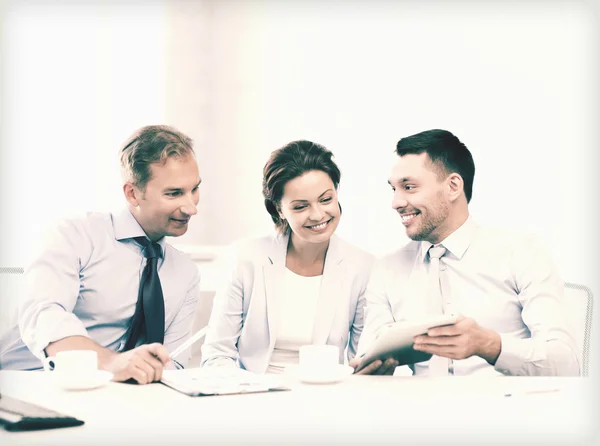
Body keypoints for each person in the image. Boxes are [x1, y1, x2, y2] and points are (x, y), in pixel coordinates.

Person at [352, 129, 579, 376]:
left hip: (507, 409)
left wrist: (489, 344)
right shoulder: (386, 270)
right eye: (394, 189)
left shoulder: (521, 253)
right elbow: (367, 358)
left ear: (453, 187)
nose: (395, 202)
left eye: (408, 187)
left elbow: (566, 363)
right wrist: (371, 371)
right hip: (418, 410)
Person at [0, 125, 202, 384]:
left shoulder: (186, 273)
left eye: (194, 189)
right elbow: (44, 314)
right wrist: (110, 363)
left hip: (118, 398)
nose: (191, 208)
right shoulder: (76, 235)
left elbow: (173, 363)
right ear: (132, 193)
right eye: (174, 193)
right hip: (31, 384)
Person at [201, 140, 374, 373]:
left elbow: (361, 361)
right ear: (279, 210)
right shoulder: (245, 258)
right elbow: (217, 353)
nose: (318, 214)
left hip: (328, 397)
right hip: (251, 395)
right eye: (301, 207)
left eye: (326, 199)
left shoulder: (363, 267)